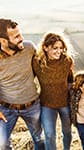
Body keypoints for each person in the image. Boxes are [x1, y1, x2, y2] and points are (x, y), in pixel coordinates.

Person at [0, 18, 45, 149]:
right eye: (16, 36)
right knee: (2, 145)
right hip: (5, 109)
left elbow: (42, 69)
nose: (22, 38)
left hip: (32, 106)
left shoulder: (29, 48)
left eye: (20, 34)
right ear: (3, 41)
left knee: (40, 141)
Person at [32, 32, 74, 150]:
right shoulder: (37, 63)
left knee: (67, 132)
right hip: (47, 104)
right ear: (45, 47)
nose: (59, 51)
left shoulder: (67, 61)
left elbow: (71, 80)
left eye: (61, 48)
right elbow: (29, 79)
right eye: (55, 48)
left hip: (65, 104)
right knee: (49, 135)